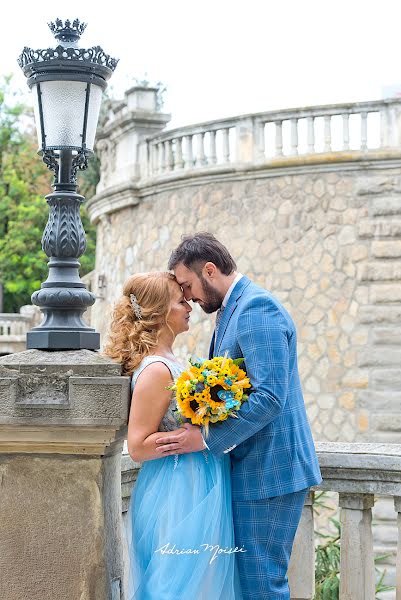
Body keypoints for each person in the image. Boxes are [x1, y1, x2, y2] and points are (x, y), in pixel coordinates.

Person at [154, 233, 322, 600]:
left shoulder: (256, 309)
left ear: (209, 270)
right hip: (253, 470)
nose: (189, 299)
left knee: (262, 585)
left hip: (269, 473)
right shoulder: (233, 310)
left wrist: (204, 438)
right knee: (251, 584)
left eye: (188, 285)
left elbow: (270, 398)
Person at [103, 271, 243, 600]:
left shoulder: (169, 362)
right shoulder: (155, 370)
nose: (189, 306)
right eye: (181, 301)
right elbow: (137, 445)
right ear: (160, 312)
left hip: (197, 482)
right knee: (178, 586)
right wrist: (188, 438)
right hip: (177, 490)